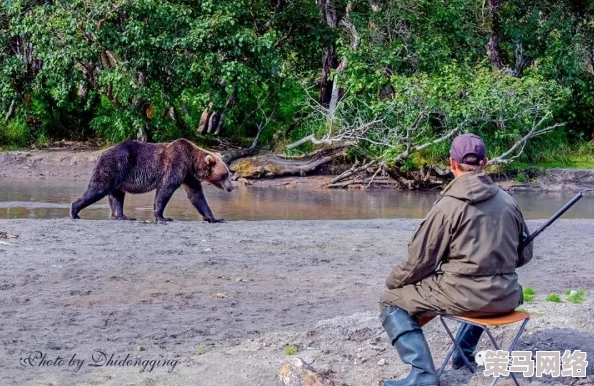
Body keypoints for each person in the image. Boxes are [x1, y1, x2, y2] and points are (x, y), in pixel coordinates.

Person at [379, 133, 534, 386]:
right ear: (485, 162)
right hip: (506, 296)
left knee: (390, 301)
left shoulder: (447, 206)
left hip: (464, 297)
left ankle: (423, 376)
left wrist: (393, 283)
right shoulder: (509, 202)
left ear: (451, 163)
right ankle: (464, 354)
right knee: (472, 292)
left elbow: (421, 262)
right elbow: (524, 255)